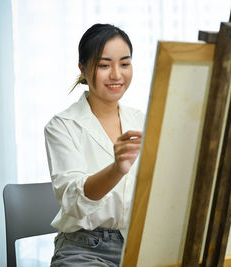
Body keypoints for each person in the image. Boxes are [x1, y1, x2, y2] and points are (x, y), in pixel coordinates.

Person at [44, 23, 144, 266]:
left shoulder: (142, 120)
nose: (117, 75)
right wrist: (116, 169)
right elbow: (74, 201)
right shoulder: (62, 126)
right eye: (104, 65)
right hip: (84, 248)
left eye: (124, 63)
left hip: (139, 245)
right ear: (83, 69)